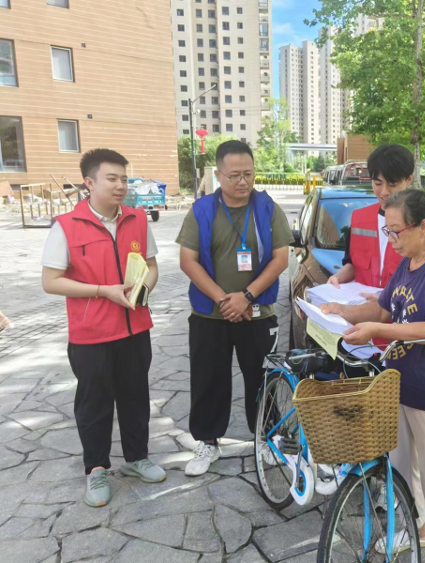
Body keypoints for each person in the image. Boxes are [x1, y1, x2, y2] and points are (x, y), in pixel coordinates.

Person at [322, 189, 425, 563]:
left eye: (397, 232)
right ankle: (416, 531)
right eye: (388, 232)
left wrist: (374, 330)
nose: (392, 241)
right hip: (397, 382)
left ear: (423, 227)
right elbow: (383, 311)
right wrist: (336, 310)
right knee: (401, 470)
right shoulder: (407, 263)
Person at [41, 149, 165, 507]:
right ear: (89, 182)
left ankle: (136, 458)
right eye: (112, 178)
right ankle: (95, 469)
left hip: (134, 328)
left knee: (135, 397)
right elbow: (51, 281)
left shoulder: (138, 219)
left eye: (124, 179)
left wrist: (143, 289)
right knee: (94, 404)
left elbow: (152, 266)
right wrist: (102, 291)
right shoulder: (66, 226)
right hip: (91, 334)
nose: (121, 185)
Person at [176, 140, 294, 476]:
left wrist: (247, 296)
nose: (242, 182)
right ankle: (208, 443)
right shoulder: (202, 210)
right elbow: (188, 261)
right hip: (209, 315)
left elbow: (280, 258)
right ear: (218, 175)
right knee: (208, 380)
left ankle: (266, 438)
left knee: (263, 379)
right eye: (234, 176)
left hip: (257, 313)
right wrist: (224, 300)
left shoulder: (267, 208)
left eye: (248, 174)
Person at [327, 144, 414, 299]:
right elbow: (353, 265)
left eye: (392, 184)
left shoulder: (419, 225)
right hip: (362, 311)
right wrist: (338, 278)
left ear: (408, 180)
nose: (384, 192)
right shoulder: (359, 219)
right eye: (378, 183)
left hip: (401, 316)